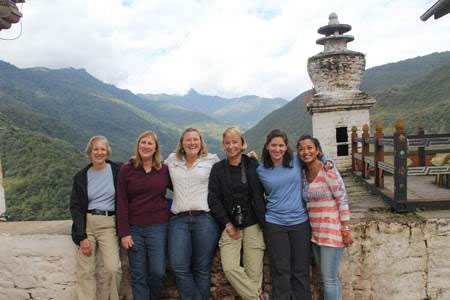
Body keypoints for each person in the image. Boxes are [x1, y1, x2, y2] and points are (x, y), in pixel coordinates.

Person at [208, 127, 268, 300]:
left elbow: (272, 172)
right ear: (223, 145)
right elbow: (213, 199)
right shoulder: (218, 169)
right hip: (230, 224)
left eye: (235, 142)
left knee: (254, 273)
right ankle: (258, 298)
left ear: (242, 144)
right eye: (227, 143)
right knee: (229, 267)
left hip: (254, 224)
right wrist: (227, 224)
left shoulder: (252, 165)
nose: (231, 146)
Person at [256, 129, 312, 300]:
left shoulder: (296, 159)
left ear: (286, 147)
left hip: (300, 222)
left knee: (301, 269)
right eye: (273, 145)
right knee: (280, 270)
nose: (277, 149)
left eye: (281, 145)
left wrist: (329, 161)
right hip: (275, 224)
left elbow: (317, 157)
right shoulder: (260, 170)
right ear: (267, 146)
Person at [165, 128, 220, 300]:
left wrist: (250, 160)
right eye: (188, 140)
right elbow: (152, 169)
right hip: (179, 220)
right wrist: (129, 164)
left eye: (195, 139)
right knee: (178, 266)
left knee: (201, 268)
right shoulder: (172, 160)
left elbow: (229, 172)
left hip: (205, 219)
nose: (192, 143)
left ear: (201, 142)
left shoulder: (212, 160)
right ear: (182, 143)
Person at [117, 131, 172, 300]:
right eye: (143, 142)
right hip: (134, 229)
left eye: (150, 143)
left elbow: (184, 185)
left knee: (158, 272)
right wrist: (124, 233)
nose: (146, 146)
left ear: (156, 148)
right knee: (138, 275)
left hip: (158, 227)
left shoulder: (163, 170)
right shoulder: (127, 169)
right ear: (138, 145)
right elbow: (121, 202)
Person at [297, 135, 352, 300]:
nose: (305, 151)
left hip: (332, 233)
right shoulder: (303, 174)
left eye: (309, 147)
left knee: (329, 281)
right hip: (316, 235)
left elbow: (342, 198)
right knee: (330, 279)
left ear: (317, 150)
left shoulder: (327, 169)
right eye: (301, 148)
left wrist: (346, 228)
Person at [70, 136, 122, 300]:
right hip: (87, 224)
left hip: (109, 224)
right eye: (95, 149)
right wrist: (81, 236)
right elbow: (76, 207)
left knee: (114, 268)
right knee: (86, 271)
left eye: (102, 149)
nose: (99, 152)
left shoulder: (117, 171)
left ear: (107, 152)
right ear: (89, 152)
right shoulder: (81, 177)